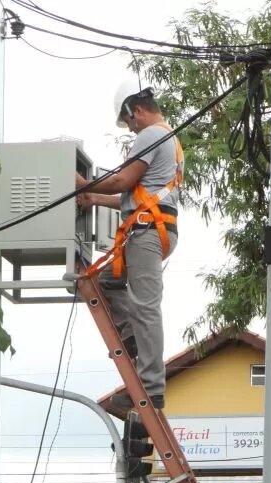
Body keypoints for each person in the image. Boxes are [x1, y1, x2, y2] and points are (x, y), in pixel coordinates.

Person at [75, 78, 183, 412]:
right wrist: (94, 197)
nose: (129, 128)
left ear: (136, 111)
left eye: (127, 122)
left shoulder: (151, 134)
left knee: (146, 307)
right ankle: (134, 338)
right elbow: (134, 195)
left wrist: (82, 183)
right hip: (149, 227)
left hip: (149, 232)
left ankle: (150, 387)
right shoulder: (167, 139)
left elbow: (123, 180)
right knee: (107, 283)